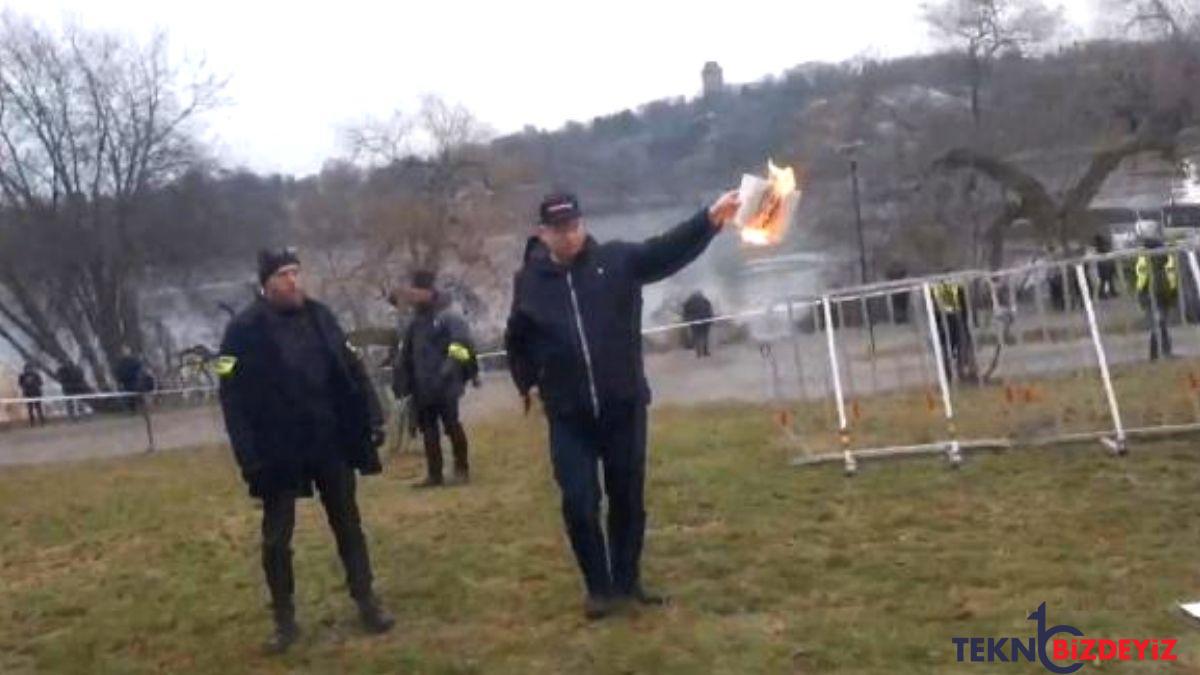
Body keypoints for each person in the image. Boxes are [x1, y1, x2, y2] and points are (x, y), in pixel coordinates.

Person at [504, 189, 740, 620]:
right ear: (543, 233)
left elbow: (666, 251)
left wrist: (710, 218)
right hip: (569, 415)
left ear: (583, 223)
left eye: (574, 226)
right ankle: (599, 589)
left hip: (623, 406)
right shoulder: (529, 283)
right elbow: (517, 341)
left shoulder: (615, 262)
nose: (569, 236)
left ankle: (627, 584)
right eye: (559, 230)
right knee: (579, 500)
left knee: (627, 497)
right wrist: (528, 384)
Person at [217, 247, 394, 654]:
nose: (292, 281)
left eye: (296, 272)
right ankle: (284, 620)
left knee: (348, 524)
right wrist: (248, 456)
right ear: (265, 283)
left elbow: (353, 369)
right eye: (283, 274)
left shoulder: (320, 316)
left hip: (328, 440)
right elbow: (231, 396)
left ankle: (367, 601)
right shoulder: (242, 330)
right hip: (278, 450)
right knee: (277, 540)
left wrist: (371, 416)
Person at [391, 270, 479, 488]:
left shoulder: (448, 315)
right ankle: (434, 474)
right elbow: (407, 353)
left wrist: (448, 369)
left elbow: (462, 345)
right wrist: (402, 379)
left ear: (428, 291)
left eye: (417, 291)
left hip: (446, 385)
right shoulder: (415, 321)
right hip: (422, 387)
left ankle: (461, 469)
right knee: (428, 430)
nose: (413, 295)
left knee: (452, 426)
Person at [1134, 220, 1178, 361]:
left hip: (1155, 291)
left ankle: (1160, 352)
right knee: (1159, 323)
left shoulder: (1148, 254)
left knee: (1159, 323)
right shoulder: (1162, 253)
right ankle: (1160, 352)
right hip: (1159, 291)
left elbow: (1142, 275)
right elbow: (1168, 273)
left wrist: (1140, 292)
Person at [931, 280, 976, 383]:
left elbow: (964, 307)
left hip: (956, 321)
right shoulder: (938, 289)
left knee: (961, 349)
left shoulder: (956, 288)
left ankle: (962, 373)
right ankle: (949, 375)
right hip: (947, 322)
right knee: (948, 351)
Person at [681, 291, 715, 358]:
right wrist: (711, 319)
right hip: (705, 320)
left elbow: (685, 312)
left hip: (694, 321)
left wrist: (687, 320)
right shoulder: (705, 300)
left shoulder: (689, 302)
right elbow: (710, 310)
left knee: (696, 337)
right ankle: (705, 351)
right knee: (705, 336)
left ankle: (698, 353)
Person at [1093, 233, 1118, 300]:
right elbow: (1105, 252)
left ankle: (1107, 292)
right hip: (1105, 265)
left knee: (1106, 280)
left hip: (1103, 265)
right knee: (1106, 280)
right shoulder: (1101, 246)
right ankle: (1105, 293)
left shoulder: (1098, 246)